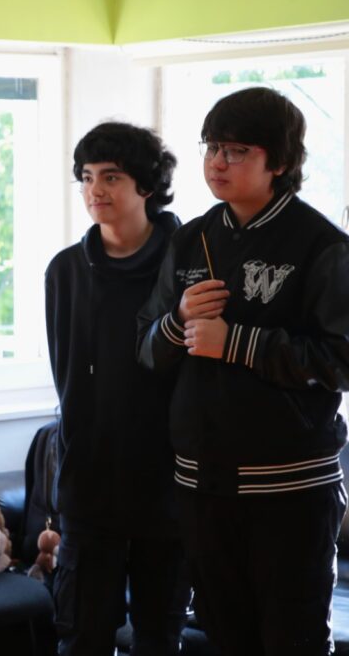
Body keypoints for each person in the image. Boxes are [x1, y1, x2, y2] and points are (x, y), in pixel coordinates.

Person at [137, 86, 349, 655]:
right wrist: (179, 323)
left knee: (293, 641)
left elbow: (340, 361)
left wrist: (238, 343)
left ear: (279, 161)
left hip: (291, 488)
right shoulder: (190, 239)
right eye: (211, 147)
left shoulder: (322, 245)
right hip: (201, 483)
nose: (217, 162)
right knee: (224, 638)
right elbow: (147, 349)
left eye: (236, 150)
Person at [45, 122, 190, 655]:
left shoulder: (189, 261)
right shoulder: (65, 271)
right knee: (82, 637)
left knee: (159, 638)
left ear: (146, 185)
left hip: (169, 486)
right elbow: (67, 385)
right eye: (86, 177)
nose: (95, 190)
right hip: (91, 489)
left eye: (111, 177)